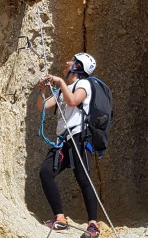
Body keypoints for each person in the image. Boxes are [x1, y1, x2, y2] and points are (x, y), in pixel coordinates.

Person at [36, 52, 101, 238]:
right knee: (46, 172)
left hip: (79, 137)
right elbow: (41, 107)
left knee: (83, 177)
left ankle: (93, 226)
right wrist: (43, 91)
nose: (67, 62)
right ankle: (60, 218)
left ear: (78, 67)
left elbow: (73, 101)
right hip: (63, 140)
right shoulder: (65, 89)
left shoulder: (85, 84)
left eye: (72, 61)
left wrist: (60, 82)